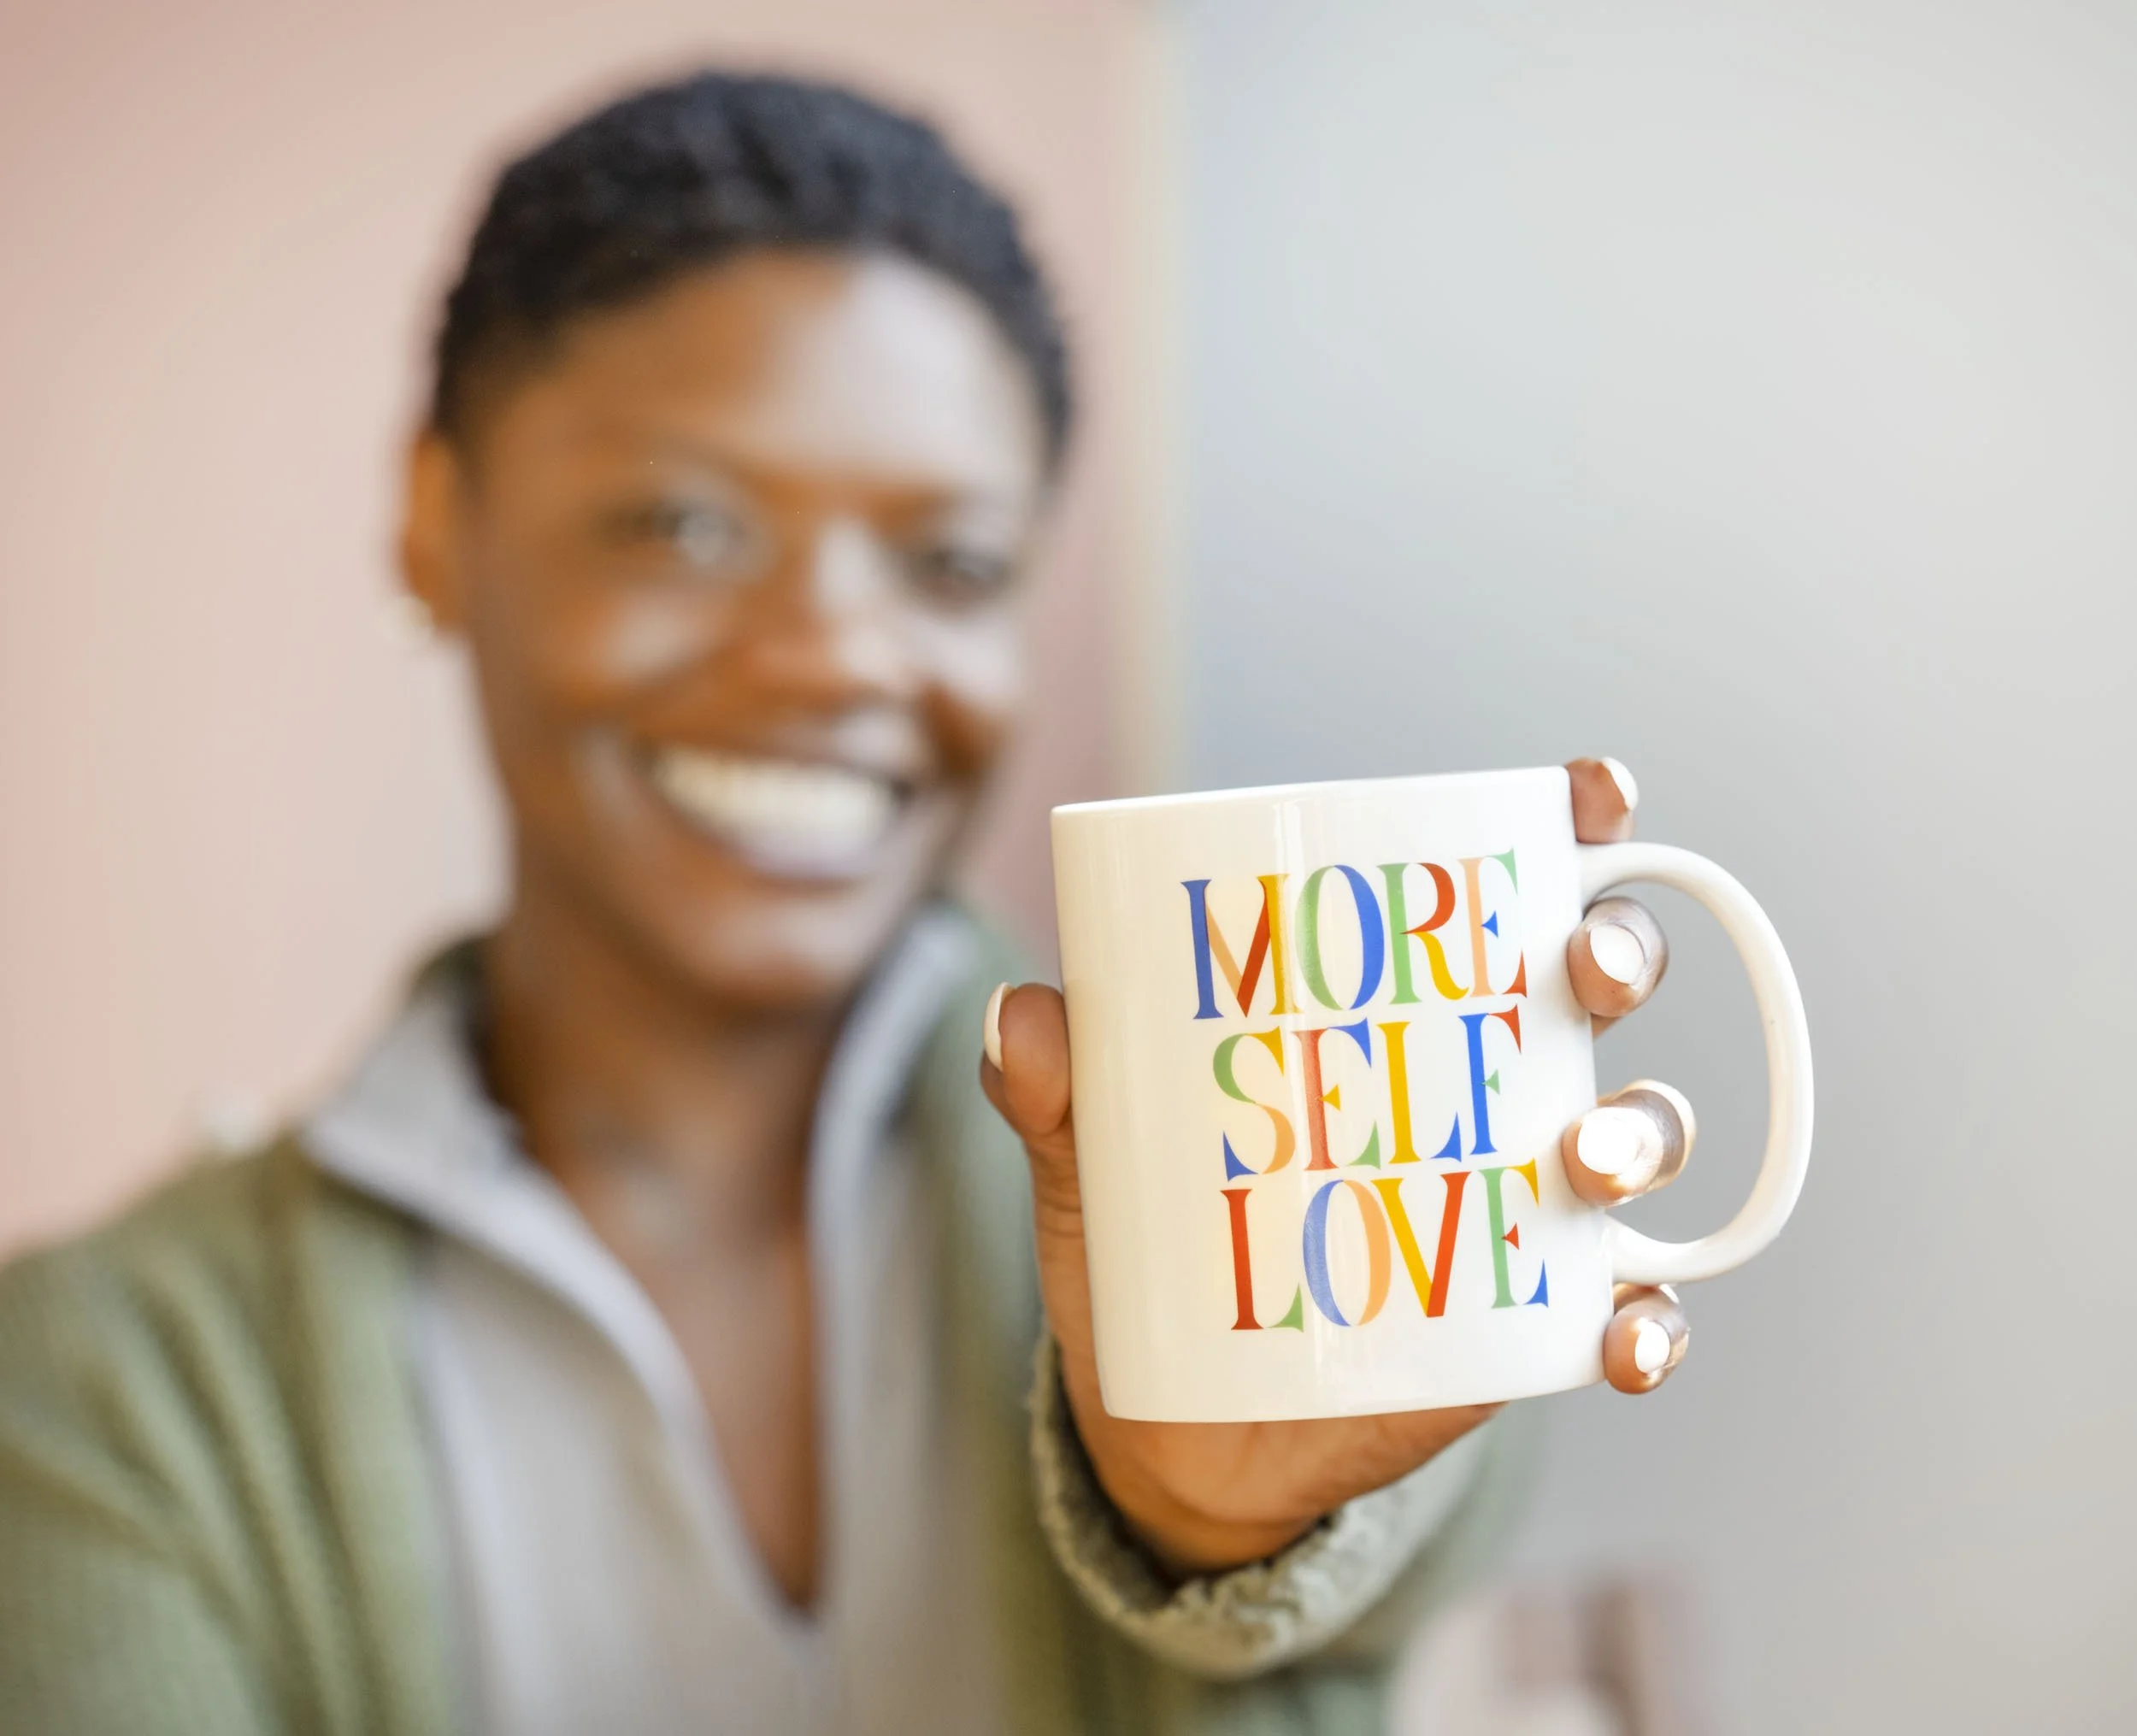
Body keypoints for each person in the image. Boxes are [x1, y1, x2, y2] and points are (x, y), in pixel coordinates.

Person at [0, 71, 1697, 1735]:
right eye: (683, 524)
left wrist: (1227, 1521)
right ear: (436, 522)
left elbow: (1406, 1539)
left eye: (949, 561)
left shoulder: (1243, 1141)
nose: (829, 653)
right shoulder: (104, 1390)